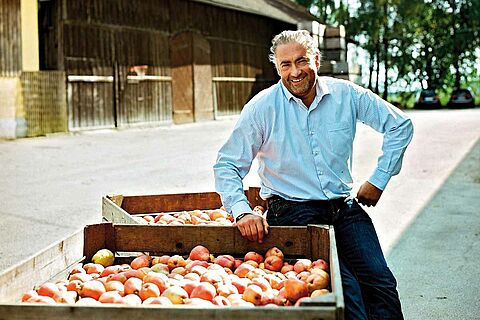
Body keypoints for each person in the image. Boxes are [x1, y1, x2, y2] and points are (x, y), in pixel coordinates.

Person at [213, 30, 412, 319]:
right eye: (286, 65)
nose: (295, 72)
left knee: (381, 283)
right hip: (293, 212)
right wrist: (242, 211)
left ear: (316, 60)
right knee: (346, 293)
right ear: (277, 68)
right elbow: (227, 164)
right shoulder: (262, 108)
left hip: (344, 209)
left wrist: (378, 180)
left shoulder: (346, 95)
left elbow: (400, 125)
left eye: (301, 61)